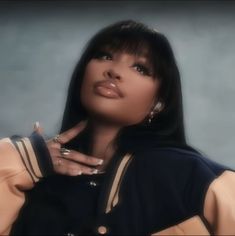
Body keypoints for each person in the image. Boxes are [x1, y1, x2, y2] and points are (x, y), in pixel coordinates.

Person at [0, 19, 235, 235]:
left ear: (159, 103)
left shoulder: (191, 176)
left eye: (140, 68)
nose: (114, 71)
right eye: (104, 55)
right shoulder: (34, 181)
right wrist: (21, 161)